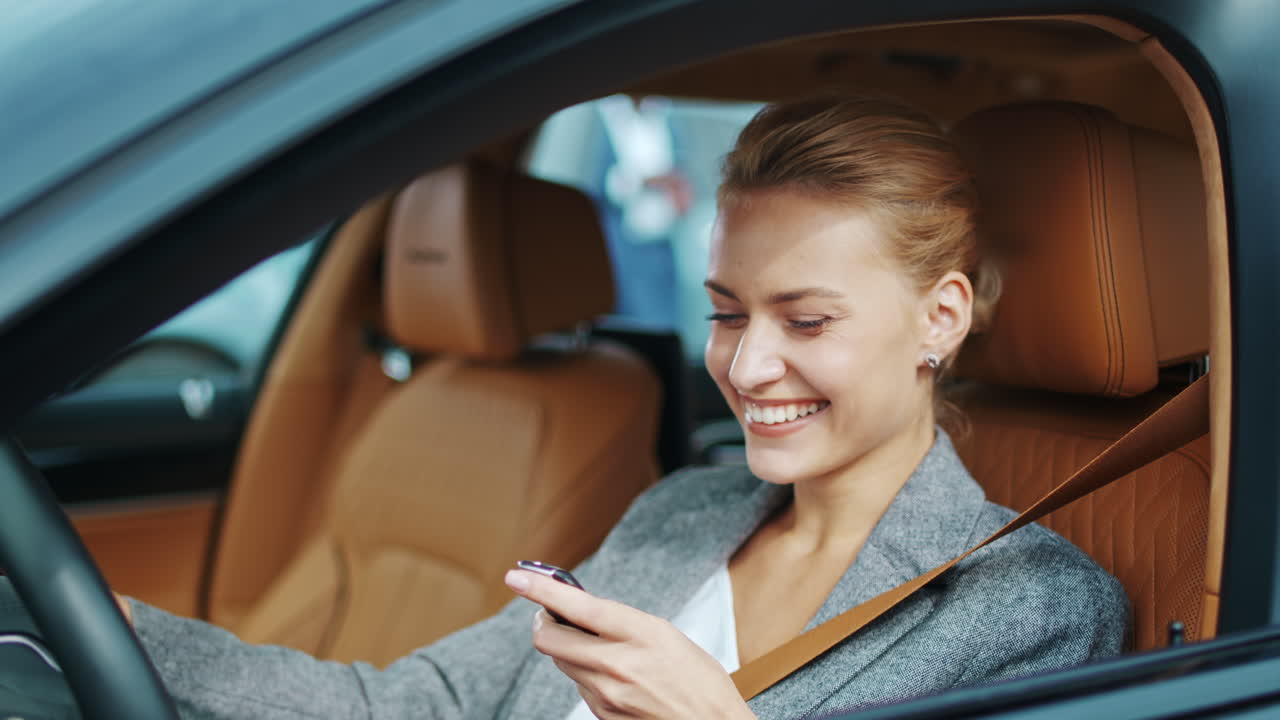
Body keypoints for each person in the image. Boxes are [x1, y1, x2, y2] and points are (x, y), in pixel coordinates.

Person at [34, 94, 1131, 719]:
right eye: (724, 312)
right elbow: (426, 707)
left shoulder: (1033, 611)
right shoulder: (684, 510)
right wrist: (107, 630)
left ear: (940, 319)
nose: (744, 370)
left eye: (805, 322)